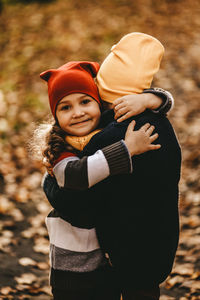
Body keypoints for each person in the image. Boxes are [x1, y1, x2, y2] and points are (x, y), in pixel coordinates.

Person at [41, 33, 181, 300]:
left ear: (99, 97)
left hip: (114, 254)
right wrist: (151, 102)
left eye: (86, 101)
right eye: (66, 107)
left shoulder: (108, 133)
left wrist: (149, 99)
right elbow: (77, 178)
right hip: (89, 261)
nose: (79, 112)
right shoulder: (155, 123)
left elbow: (76, 193)